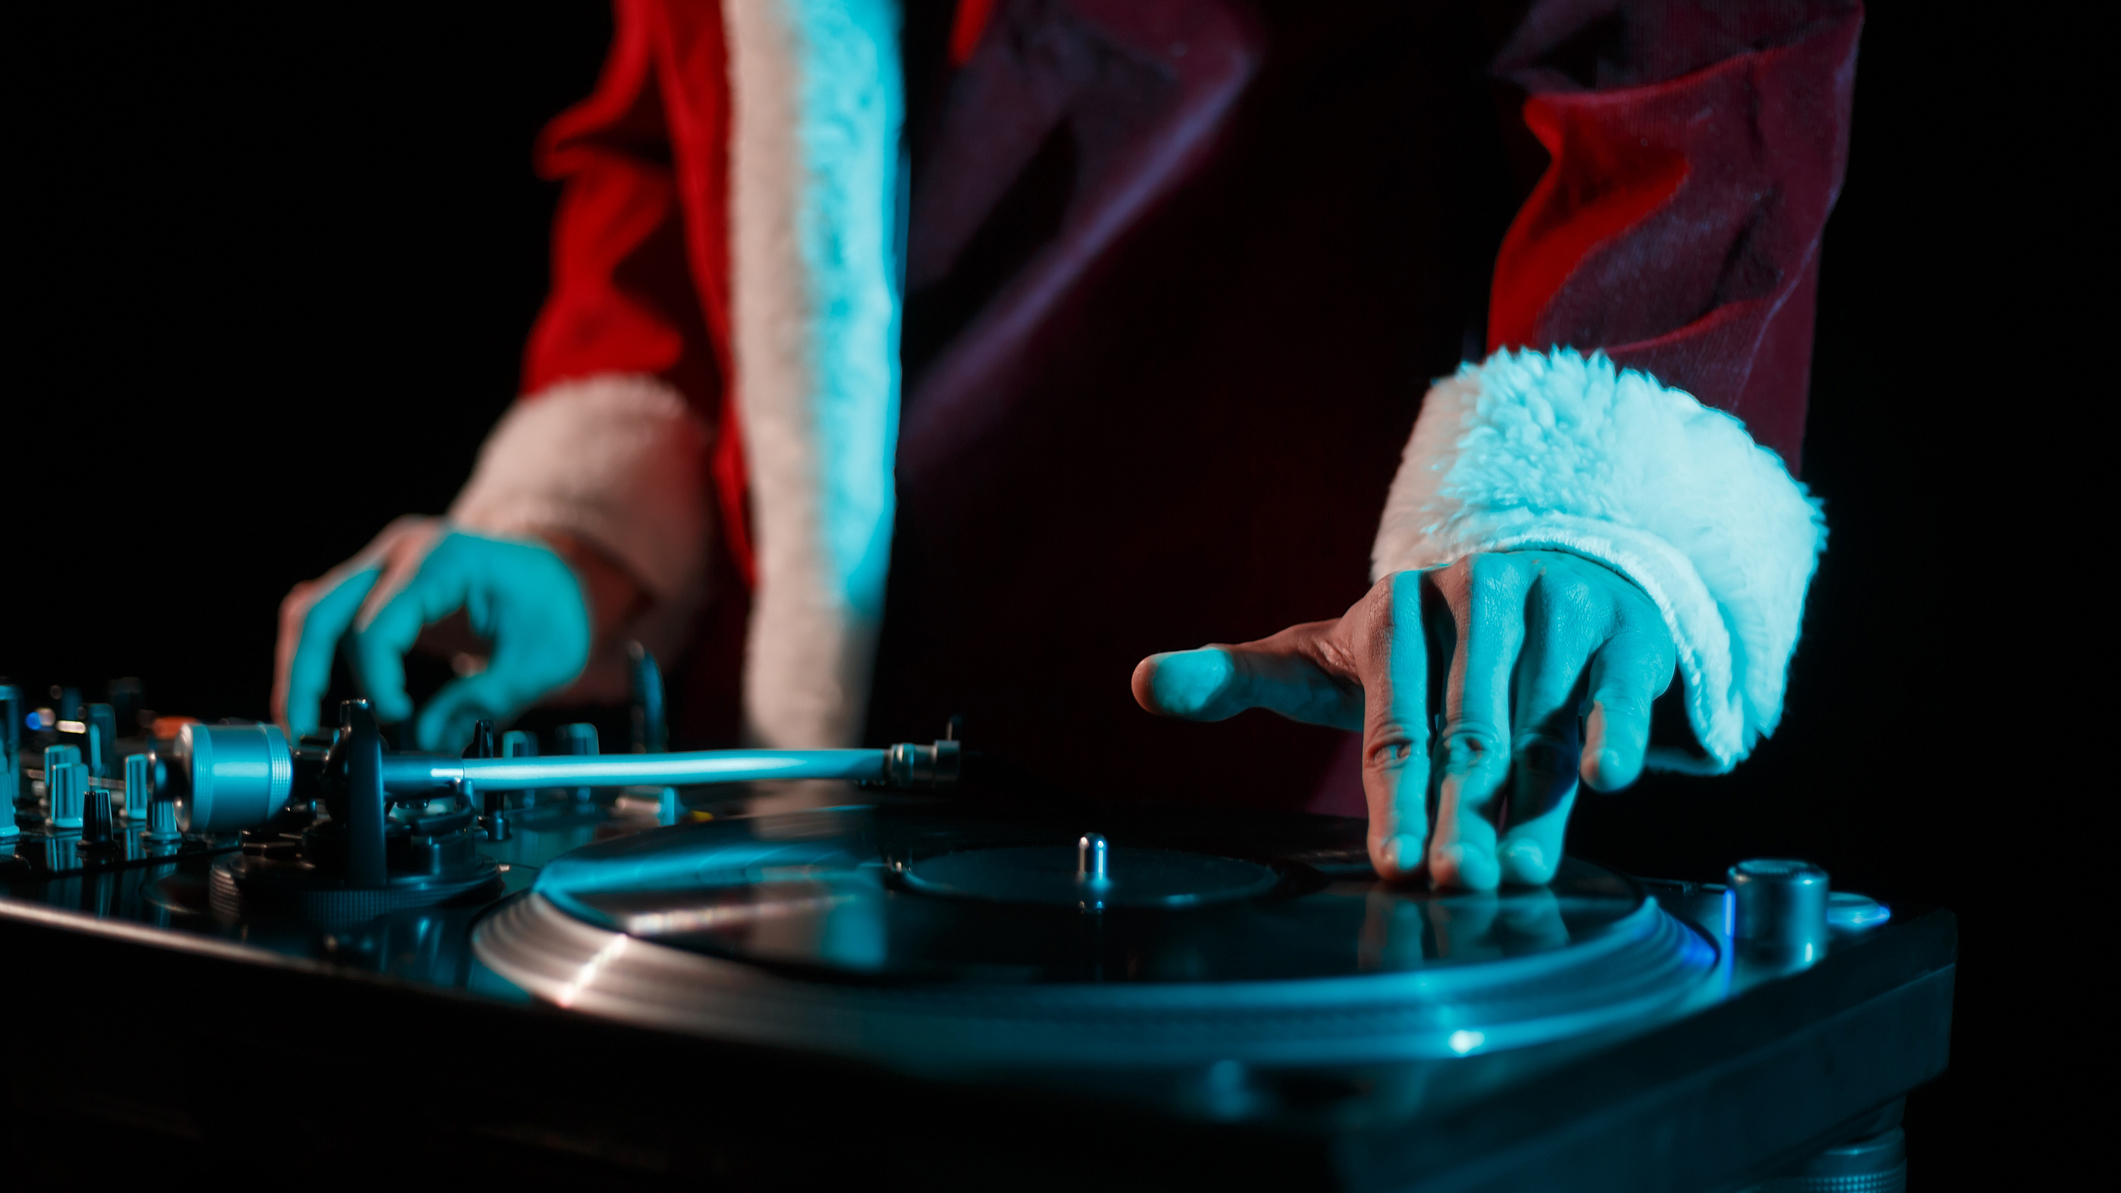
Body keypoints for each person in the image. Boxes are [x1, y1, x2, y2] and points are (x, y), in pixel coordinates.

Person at [273, 0, 1859, 890]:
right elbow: (673, 113)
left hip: (1280, 789)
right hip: (773, 846)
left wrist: (1591, 501)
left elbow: (1692, 43)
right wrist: (587, 538)